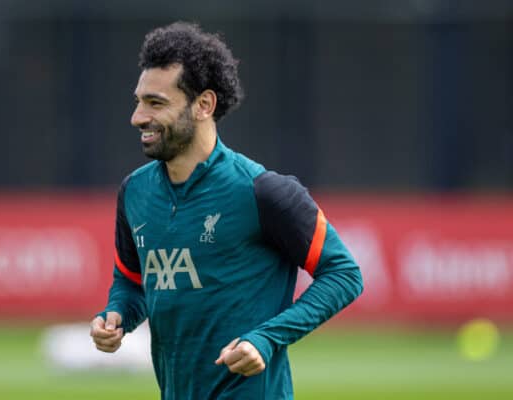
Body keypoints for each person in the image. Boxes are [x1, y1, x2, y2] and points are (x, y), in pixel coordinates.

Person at [90, 21, 363, 400]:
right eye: (138, 101)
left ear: (204, 105)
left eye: (156, 103)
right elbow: (132, 281)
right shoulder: (135, 191)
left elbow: (344, 274)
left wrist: (267, 338)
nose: (138, 117)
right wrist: (117, 315)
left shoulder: (264, 192)